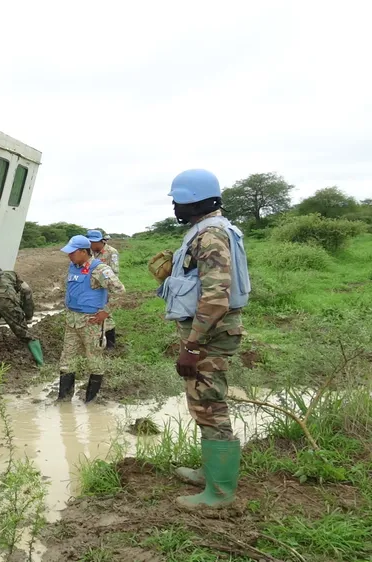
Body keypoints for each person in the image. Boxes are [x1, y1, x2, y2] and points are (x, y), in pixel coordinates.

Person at [152, 169, 251, 509]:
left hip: (209, 337)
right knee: (203, 403)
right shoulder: (208, 231)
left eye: (179, 201)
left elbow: (215, 299)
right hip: (207, 334)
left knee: (210, 406)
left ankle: (219, 494)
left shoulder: (209, 236)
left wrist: (192, 346)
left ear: (196, 202)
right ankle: (210, 472)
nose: (175, 207)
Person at [57, 235, 125, 403]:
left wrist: (105, 312)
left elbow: (120, 291)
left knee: (94, 361)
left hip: (91, 322)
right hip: (71, 322)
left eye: (72, 252)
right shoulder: (73, 267)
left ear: (83, 251)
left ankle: (91, 400)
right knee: (66, 361)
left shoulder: (99, 269)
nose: (69, 256)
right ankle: (63, 400)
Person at [86, 229, 121, 350]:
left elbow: (114, 273)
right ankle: (97, 340)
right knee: (94, 313)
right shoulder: (89, 252)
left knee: (107, 314)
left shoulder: (111, 252)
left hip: (106, 288)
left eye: (92, 242)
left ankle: (110, 344)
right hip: (93, 288)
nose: (90, 245)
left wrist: (109, 291)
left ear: (100, 241)